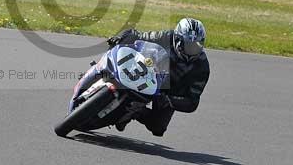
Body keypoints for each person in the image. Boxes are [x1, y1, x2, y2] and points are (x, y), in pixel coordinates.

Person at [69, 18, 210, 137]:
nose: (193, 49)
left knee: (158, 128)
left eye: (197, 45)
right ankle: (93, 74)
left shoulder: (201, 67)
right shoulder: (165, 36)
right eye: (189, 44)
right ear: (178, 39)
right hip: (144, 70)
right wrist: (120, 38)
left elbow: (192, 101)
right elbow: (137, 35)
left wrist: (169, 99)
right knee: (110, 60)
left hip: (166, 92)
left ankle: (133, 113)